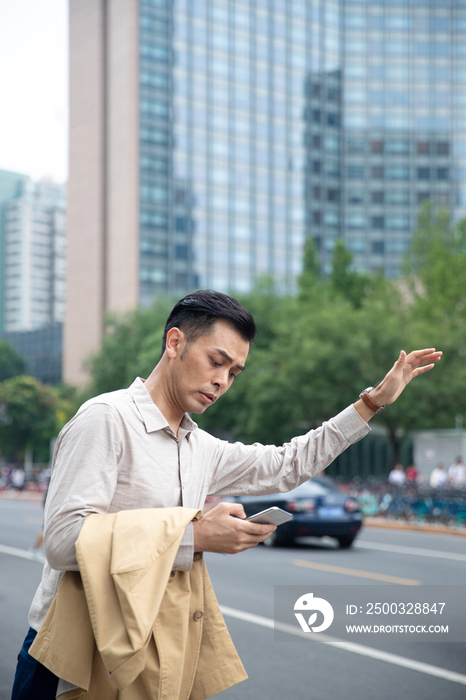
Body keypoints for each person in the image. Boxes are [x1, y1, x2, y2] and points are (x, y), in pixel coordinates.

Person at [11, 290, 442, 700]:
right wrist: (195, 538)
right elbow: (64, 542)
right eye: (216, 361)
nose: (221, 381)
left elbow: (288, 464)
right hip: (69, 655)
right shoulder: (106, 420)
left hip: (151, 649)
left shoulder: (200, 447)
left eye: (233, 372)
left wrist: (370, 405)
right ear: (175, 342)